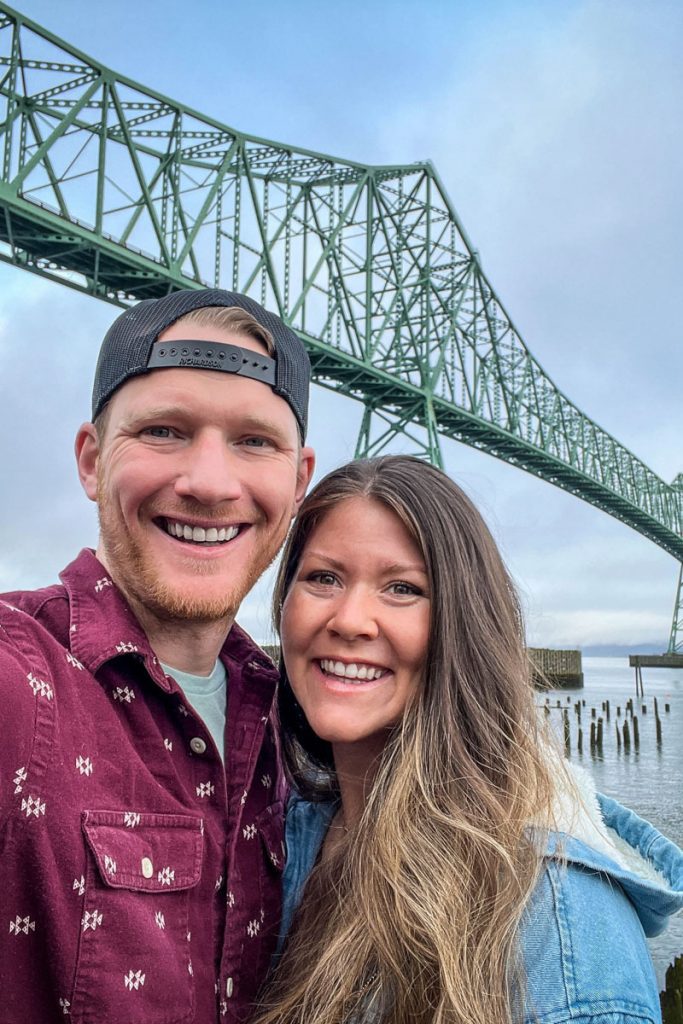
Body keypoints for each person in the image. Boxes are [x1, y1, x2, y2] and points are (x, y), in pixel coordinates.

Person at [258, 455, 683, 1024]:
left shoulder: (563, 922)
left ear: (466, 624)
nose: (351, 619)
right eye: (323, 578)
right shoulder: (284, 835)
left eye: (403, 588)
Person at [0, 288, 315, 1024]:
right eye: (165, 431)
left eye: (253, 441)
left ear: (298, 483)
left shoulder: (305, 726)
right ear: (91, 460)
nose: (208, 482)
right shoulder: (20, 681)